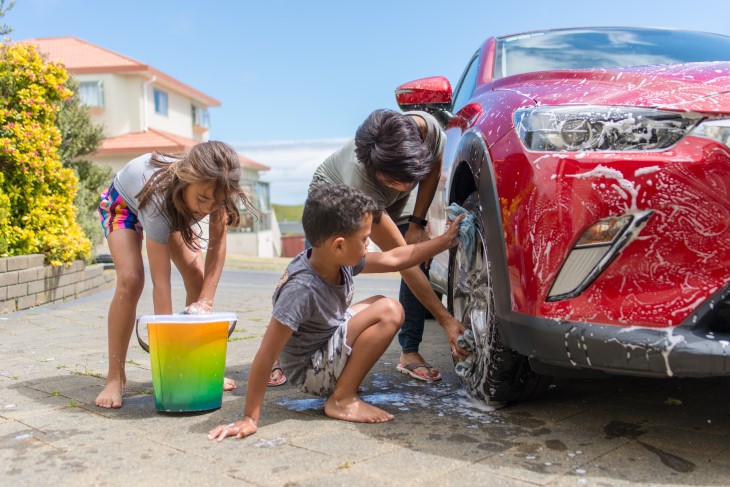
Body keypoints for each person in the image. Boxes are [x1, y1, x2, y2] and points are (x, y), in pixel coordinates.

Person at [208, 184, 464, 441]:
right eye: (365, 239)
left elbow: (395, 259)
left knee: (377, 303)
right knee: (389, 310)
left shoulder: (332, 259)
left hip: (324, 345)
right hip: (310, 371)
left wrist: (445, 241)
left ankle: (342, 384)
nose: (368, 246)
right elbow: (266, 354)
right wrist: (250, 418)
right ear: (339, 245)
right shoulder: (302, 289)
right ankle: (342, 398)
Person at [308, 109, 469, 382]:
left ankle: (410, 353)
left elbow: (431, 172)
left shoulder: (427, 129)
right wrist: (446, 319)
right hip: (336, 196)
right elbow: (400, 261)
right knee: (321, 277)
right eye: (394, 180)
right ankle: (289, 350)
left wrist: (417, 224)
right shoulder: (361, 181)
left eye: (407, 178)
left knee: (419, 256)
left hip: (390, 201)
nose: (406, 185)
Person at [94, 141, 258, 409]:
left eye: (215, 203)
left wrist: (206, 300)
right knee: (132, 280)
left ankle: (195, 365)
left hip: (176, 208)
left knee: (195, 273)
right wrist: (167, 364)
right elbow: (162, 284)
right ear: (187, 179)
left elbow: (217, 248)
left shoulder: (216, 192)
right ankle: (115, 377)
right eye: (203, 199)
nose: (207, 209)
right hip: (126, 205)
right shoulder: (159, 199)